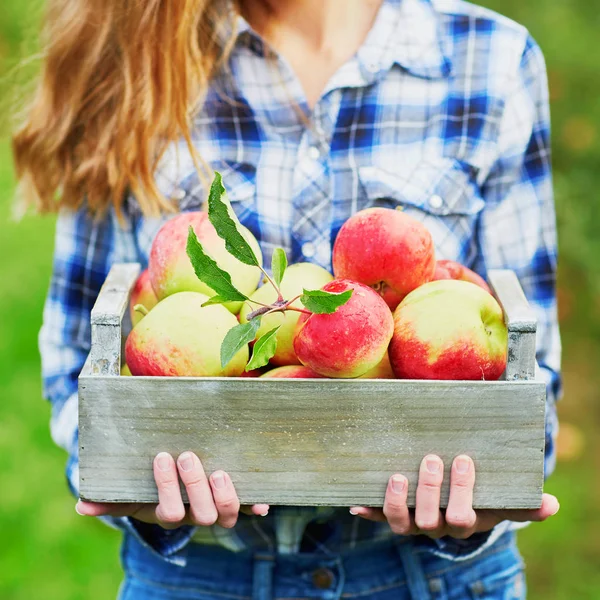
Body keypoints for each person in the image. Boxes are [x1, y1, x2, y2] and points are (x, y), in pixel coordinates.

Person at [13, 0, 562, 598]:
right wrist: (133, 484)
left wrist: (480, 501)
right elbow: (77, 364)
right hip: (201, 577)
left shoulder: (491, 58)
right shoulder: (136, 50)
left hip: (434, 578)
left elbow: (533, 382)